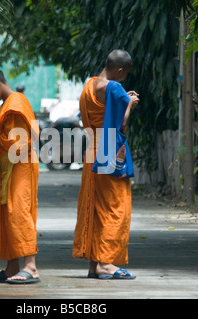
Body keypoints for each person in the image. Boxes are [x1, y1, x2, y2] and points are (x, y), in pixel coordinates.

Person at [72, 50, 139, 279]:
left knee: (97, 206)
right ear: (120, 71)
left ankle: (95, 263)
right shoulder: (114, 88)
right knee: (115, 207)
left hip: (92, 151)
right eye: (124, 74)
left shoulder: (89, 86)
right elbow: (120, 123)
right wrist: (129, 103)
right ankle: (107, 263)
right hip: (110, 149)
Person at [0, 66, 40, 284]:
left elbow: (23, 140)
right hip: (9, 164)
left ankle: (31, 266)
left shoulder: (16, 103)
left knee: (20, 212)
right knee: (7, 214)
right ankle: (12, 266)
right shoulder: (9, 103)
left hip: (21, 165)